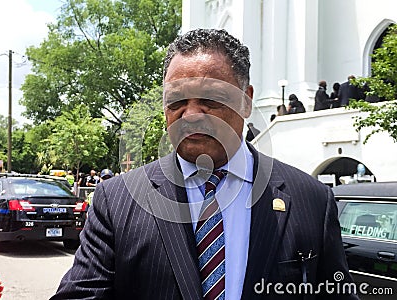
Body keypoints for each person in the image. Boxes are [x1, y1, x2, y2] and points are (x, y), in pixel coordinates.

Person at [52, 29, 357, 299]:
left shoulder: (312, 201)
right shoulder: (117, 201)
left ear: (246, 100)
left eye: (210, 98)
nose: (191, 114)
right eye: (177, 101)